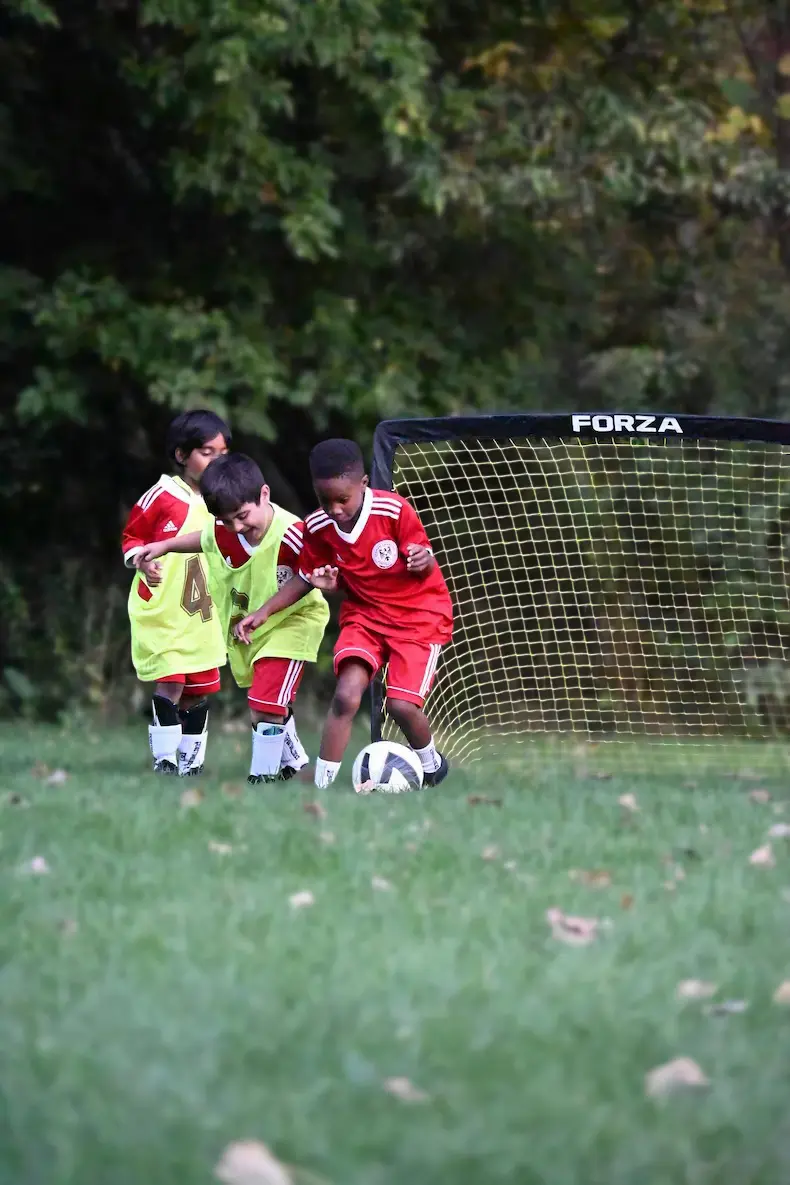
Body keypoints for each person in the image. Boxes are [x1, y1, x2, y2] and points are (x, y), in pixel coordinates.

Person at [234, 438, 452, 790]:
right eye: (325, 500)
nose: (334, 509)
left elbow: (424, 559)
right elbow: (307, 578)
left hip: (419, 618)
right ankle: (324, 786)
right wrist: (262, 613)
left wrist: (423, 561)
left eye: (342, 499)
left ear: (363, 484)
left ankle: (431, 765)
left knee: (400, 705)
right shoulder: (317, 528)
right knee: (346, 695)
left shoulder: (394, 512)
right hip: (364, 617)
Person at [137, 453, 329, 784]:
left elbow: (313, 573)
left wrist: (268, 610)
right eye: (227, 521)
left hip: (292, 623)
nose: (237, 527)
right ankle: (294, 762)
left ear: (265, 495)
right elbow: (205, 538)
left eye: (242, 516)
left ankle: (263, 777)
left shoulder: (293, 534)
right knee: (269, 702)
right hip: (251, 628)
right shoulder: (224, 531)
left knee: (263, 703)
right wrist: (165, 545)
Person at [122, 409, 230, 776]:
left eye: (223, 453)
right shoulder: (164, 495)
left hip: (202, 614)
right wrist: (141, 560)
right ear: (182, 455)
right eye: (207, 452)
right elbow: (132, 536)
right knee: (172, 680)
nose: (217, 460)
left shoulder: (227, 500)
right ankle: (164, 761)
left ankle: (191, 764)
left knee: (198, 690)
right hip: (165, 610)